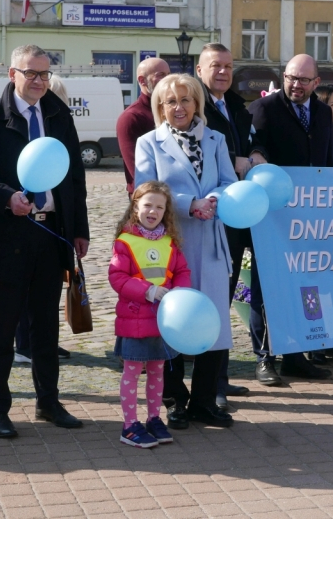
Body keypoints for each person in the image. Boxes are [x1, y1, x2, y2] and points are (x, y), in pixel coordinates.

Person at [0, 44, 90, 439]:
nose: (38, 81)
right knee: (4, 326)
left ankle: (48, 401)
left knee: (47, 327)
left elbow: (75, 176)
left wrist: (79, 229)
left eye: (44, 74)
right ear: (12, 74)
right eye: (30, 73)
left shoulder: (59, 115)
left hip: (51, 235)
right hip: (8, 234)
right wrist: (5, 197)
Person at [135, 73, 238, 428]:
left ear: (197, 102)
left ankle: (205, 401)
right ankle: (175, 400)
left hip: (210, 240)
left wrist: (214, 199)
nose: (179, 108)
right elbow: (144, 191)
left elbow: (230, 182)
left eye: (185, 100)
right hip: (170, 243)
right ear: (159, 108)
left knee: (213, 322)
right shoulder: (149, 142)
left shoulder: (216, 139)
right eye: (170, 102)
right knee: (173, 320)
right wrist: (187, 203)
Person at [248, 54, 333, 385]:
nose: (295, 85)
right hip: (272, 215)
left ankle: (296, 356)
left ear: (316, 83)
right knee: (265, 288)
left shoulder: (324, 112)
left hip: (309, 217)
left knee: (304, 286)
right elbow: (256, 148)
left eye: (303, 80)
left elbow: (326, 159)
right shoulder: (265, 108)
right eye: (290, 78)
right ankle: (264, 357)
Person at [109, 181, 192, 448]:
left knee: (158, 370)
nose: (153, 211)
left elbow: (182, 272)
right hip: (135, 318)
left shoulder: (170, 241)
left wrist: (179, 293)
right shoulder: (125, 241)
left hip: (162, 319)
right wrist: (148, 291)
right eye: (147, 205)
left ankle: (153, 418)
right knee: (132, 371)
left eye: (159, 206)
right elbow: (118, 277)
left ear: (166, 211)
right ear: (135, 207)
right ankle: (129, 425)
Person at [196, 43, 252, 410]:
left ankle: (221, 377)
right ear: (200, 69)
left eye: (229, 66)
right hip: (207, 217)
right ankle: (207, 385)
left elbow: (250, 137)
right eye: (215, 66)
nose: (223, 72)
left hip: (236, 214)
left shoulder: (234, 103)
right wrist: (236, 160)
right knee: (210, 303)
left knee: (227, 298)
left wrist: (256, 151)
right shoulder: (194, 104)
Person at [14, 73, 73, 365]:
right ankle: (24, 343)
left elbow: (74, 180)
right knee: (20, 292)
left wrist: (78, 229)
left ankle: (43, 345)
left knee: (46, 299)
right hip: (19, 222)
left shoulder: (58, 121)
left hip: (51, 224)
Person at [118, 57, 170, 196]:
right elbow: (138, 171)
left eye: (169, 75)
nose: (168, 80)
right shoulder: (131, 118)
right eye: (161, 75)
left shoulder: (174, 111)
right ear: (142, 81)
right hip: (150, 199)